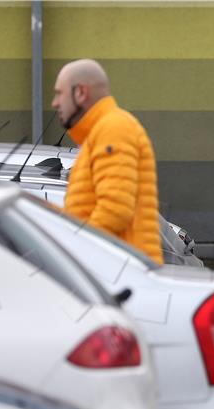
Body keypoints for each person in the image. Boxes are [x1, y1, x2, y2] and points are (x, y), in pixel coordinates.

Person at [51, 59, 163, 264]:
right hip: (118, 270)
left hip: (122, 274)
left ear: (80, 93)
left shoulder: (113, 128)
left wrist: (74, 253)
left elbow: (115, 209)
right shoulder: (100, 132)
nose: (55, 102)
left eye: (60, 93)